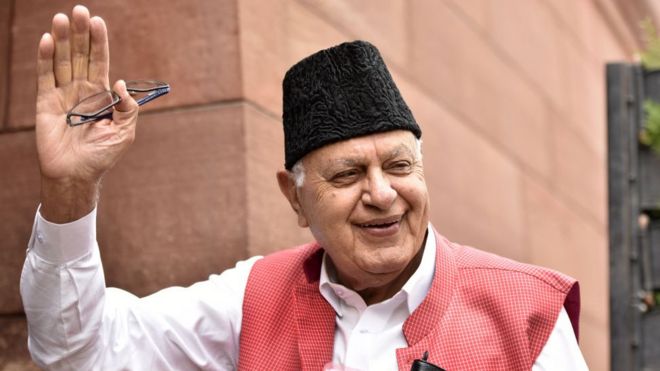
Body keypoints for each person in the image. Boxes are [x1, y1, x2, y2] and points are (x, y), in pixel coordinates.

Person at [20, 5, 589, 371]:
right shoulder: (253, 297)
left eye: (399, 166)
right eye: (347, 175)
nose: (383, 194)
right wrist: (70, 189)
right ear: (295, 199)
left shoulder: (524, 312)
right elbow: (78, 350)